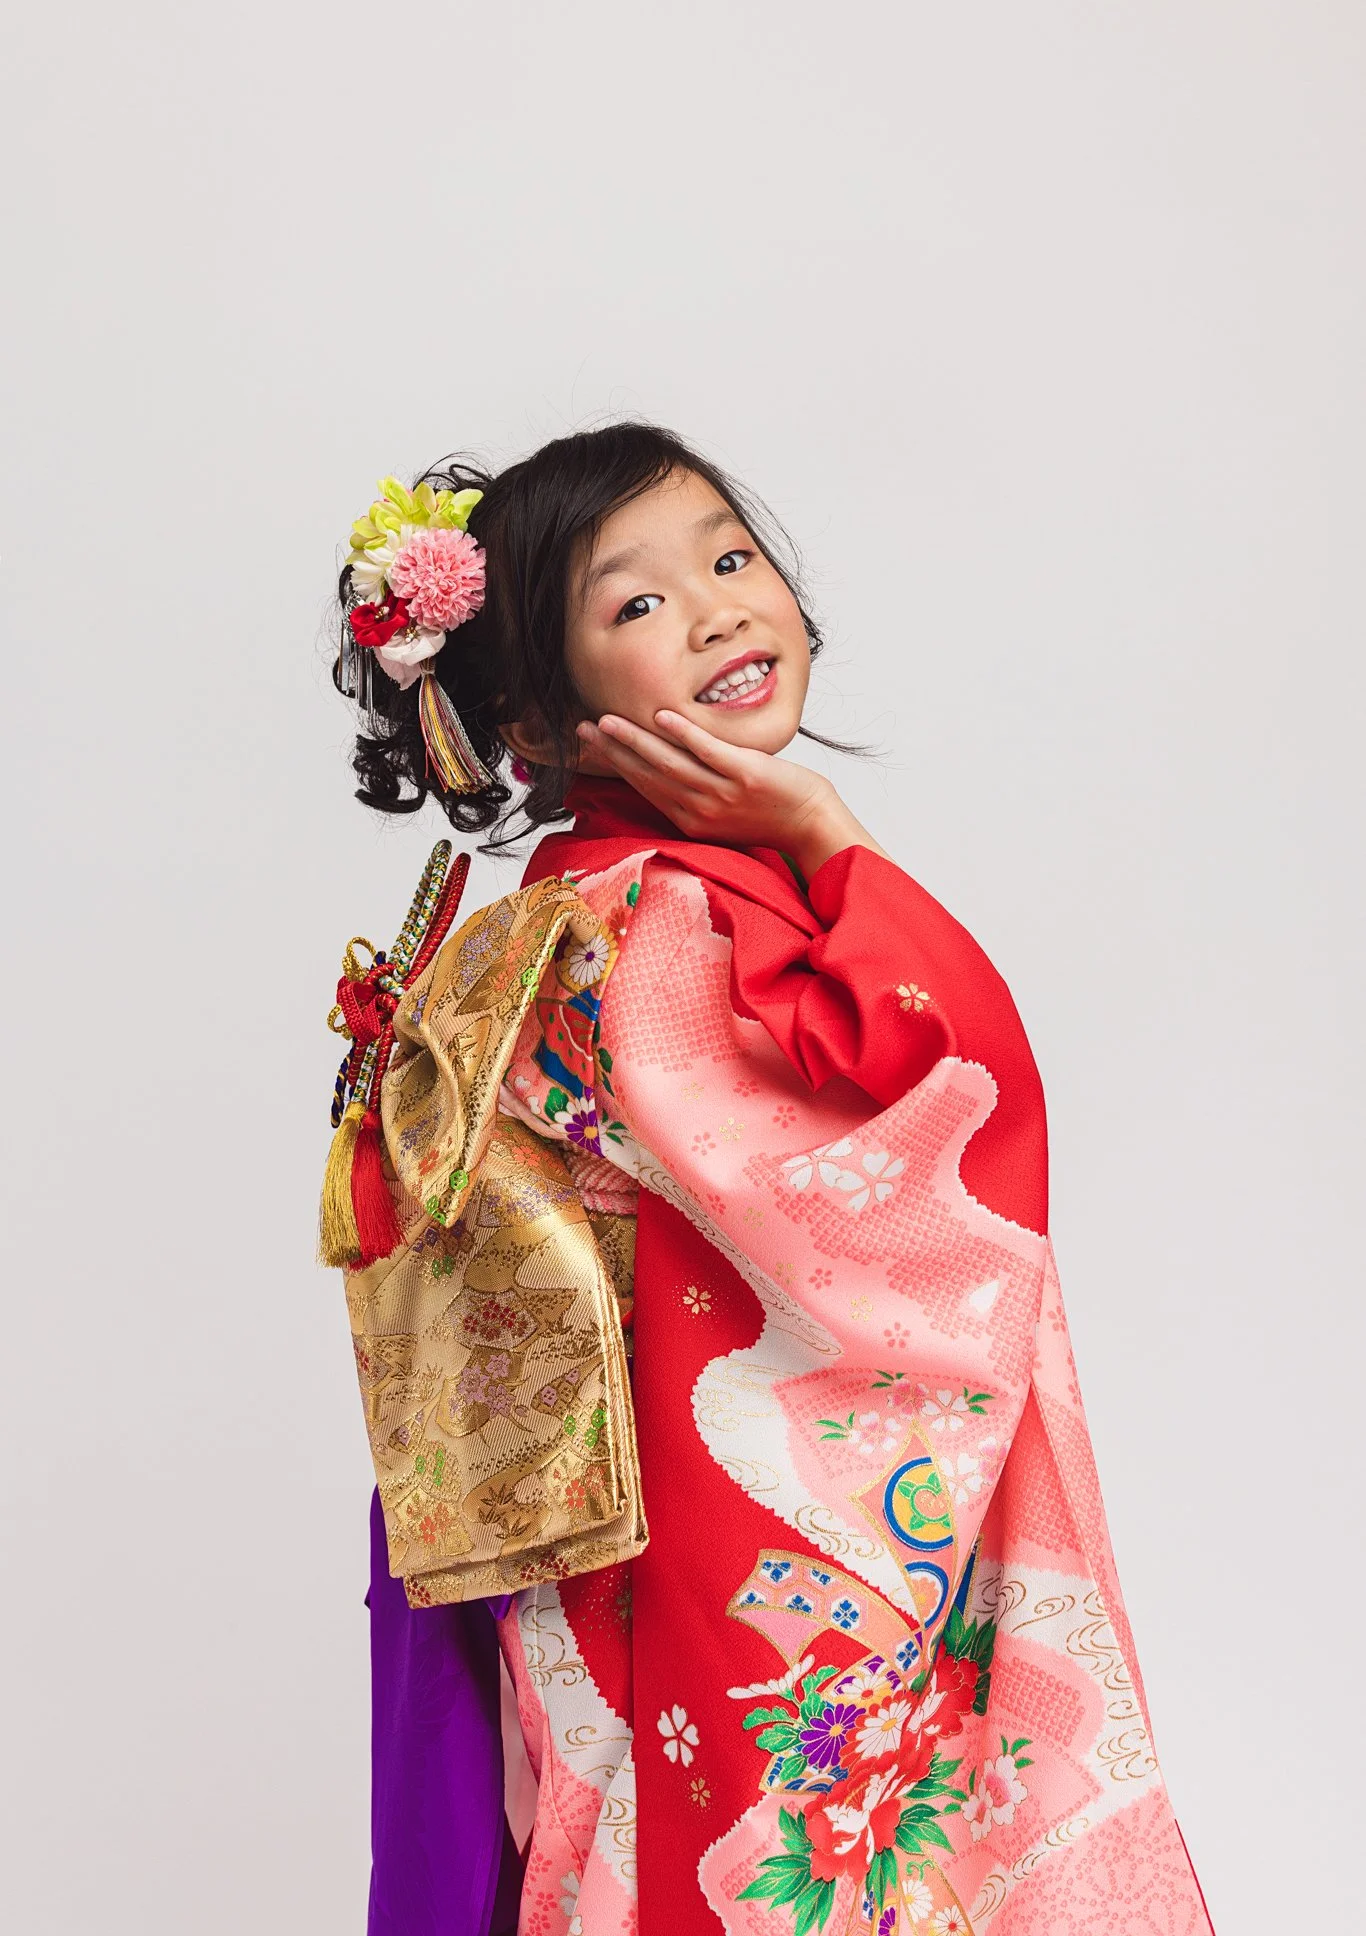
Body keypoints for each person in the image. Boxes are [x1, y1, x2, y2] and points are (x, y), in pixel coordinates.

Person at [324, 424, 1212, 1936]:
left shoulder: (558, 915)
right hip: (702, 1558)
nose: (722, 607)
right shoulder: (651, 923)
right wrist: (825, 834)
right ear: (543, 710)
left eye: (730, 559)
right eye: (638, 603)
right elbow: (921, 1125)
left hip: (608, 1536)